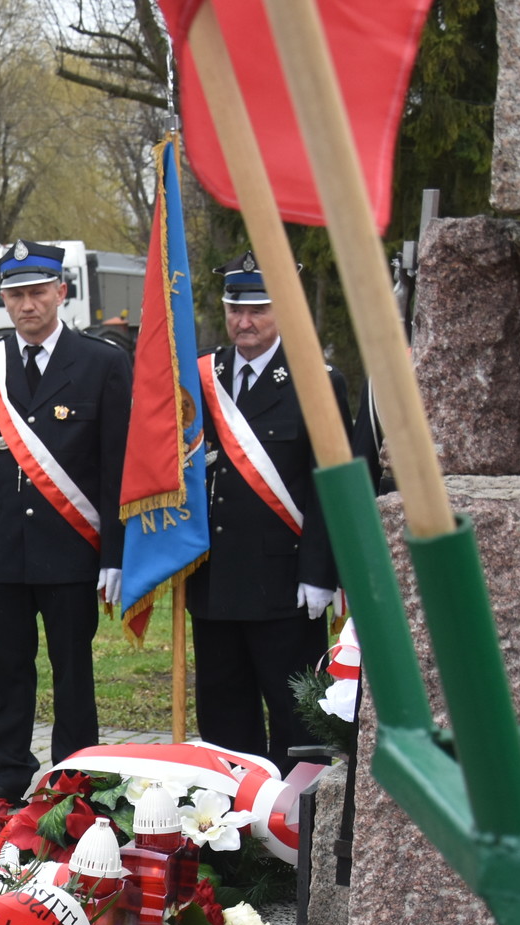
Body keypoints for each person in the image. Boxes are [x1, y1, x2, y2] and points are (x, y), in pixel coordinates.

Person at [0, 240, 130, 802]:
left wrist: (115, 554)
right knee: (8, 667)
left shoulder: (102, 362)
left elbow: (115, 468)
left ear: (61, 292)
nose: (27, 305)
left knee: (72, 668)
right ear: (4, 298)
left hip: (72, 545)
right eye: (15, 295)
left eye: (37, 293)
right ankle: (8, 773)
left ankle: (76, 773)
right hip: (3, 545)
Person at [191, 251, 348, 771]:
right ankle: (234, 829)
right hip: (213, 581)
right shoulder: (200, 377)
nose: (244, 321)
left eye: (257, 308)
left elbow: (335, 485)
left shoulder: (315, 381)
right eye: (235, 307)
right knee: (223, 715)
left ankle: (296, 834)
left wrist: (322, 571)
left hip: (286, 584)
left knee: (295, 717)